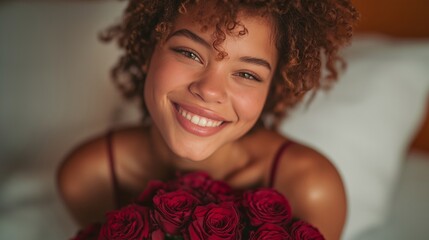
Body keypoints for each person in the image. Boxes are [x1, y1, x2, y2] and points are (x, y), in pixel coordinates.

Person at [57, 1, 358, 239]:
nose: (210, 90)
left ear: (273, 89)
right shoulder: (88, 177)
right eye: (189, 53)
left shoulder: (311, 189)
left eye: (247, 74)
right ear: (150, 51)